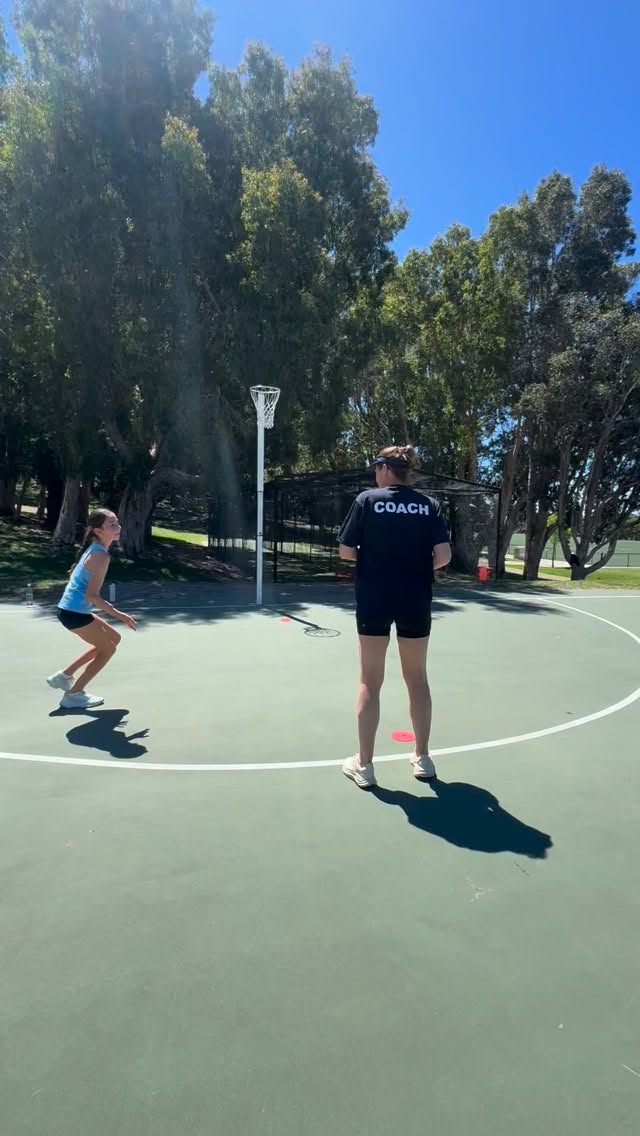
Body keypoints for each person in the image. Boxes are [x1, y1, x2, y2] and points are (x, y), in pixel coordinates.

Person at [337, 445, 451, 789]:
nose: (374, 472)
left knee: (370, 681)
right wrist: (413, 569)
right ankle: (423, 757)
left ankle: (365, 766)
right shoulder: (428, 505)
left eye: (376, 465)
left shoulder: (367, 500)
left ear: (386, 468)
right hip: (415, 598)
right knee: (417, 679)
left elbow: (345, 551)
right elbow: (443, 555)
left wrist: (378, 565)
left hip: (374, 597)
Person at [46, 509, 137, 709]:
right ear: (98, 530)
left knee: (114, 638)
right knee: (108, 649)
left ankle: (64, 676)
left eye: (117, 523)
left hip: (73, 610)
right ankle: (74, 695)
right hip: (74, 614)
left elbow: (77, 579)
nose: (118, 527)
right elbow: (92, 596)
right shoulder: (100, 556)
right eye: (112, 524)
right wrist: (120, 616)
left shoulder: (95, 549)